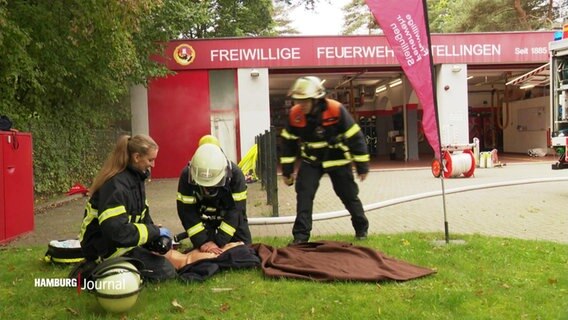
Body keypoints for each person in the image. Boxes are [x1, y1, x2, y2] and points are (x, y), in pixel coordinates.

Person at [280, 76, 371, 243]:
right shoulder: (295, 114)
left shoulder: (335, 109)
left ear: (317, 99)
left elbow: (355, 137)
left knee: (348, 195)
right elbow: (288, 144)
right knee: (304, 195)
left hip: (337, 159)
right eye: (299, 100)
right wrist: (287, 171)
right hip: (311, 161)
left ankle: (361, 228)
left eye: (306, 101)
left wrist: (362, 166)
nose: (302, 105)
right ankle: (300, 238)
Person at [78, 134, 177, 282]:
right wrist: (154, 232)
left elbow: (143, 216)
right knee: (165, 271)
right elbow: (117, 233)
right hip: (103, 248)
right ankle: (91, 272)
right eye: (150, 160)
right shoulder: (116, 186)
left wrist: (155, 237)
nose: (153, 165)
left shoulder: (136, 179)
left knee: (166, 264)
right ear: (137, 157)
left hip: (119, 243)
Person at [176, 136, 252, 255]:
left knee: (246, 251)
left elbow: (236, 211)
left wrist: (220, 241)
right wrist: (202, 241)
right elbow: (187, 212)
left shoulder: (235, 175)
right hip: (204, 219)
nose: (208, 188)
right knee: (206, 253)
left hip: (231, 218)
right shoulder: (187, 175)